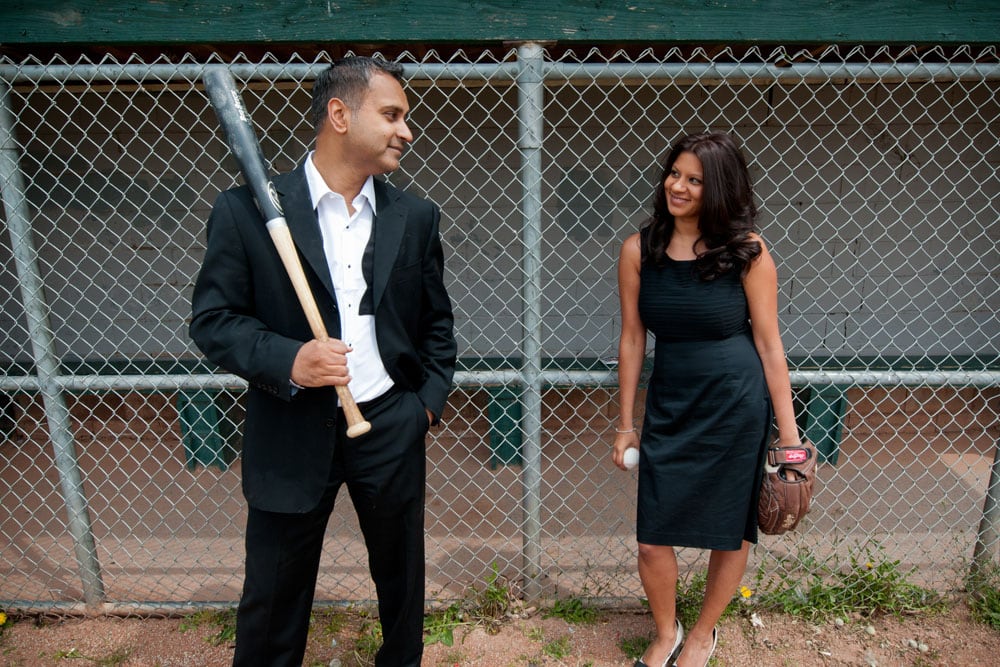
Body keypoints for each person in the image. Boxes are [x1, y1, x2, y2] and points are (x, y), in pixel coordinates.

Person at [190, 56, 456, 666]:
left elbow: (437, 324)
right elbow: (214, 322)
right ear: (339, 114)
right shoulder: (247, 210)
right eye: (391, 115)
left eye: (405, 119)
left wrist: (424, 410)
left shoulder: (413, 217)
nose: (406, 132)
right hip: (291, 426)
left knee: (402, 580)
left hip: (389, 421)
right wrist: (290, 359)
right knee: (274, 591)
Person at [612, 131, 800, 667]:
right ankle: (665, 632)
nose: (679, 186)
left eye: (695, 180)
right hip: (671, 403)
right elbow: (631, 338)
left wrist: (789, 439)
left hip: (735, 406)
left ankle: (702, 635)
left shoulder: (749, 252)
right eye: (675, 173)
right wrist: (625, 423)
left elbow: (769, 344)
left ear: (717, 189)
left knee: (728, 531)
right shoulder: (638, 249)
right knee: (652, 537)